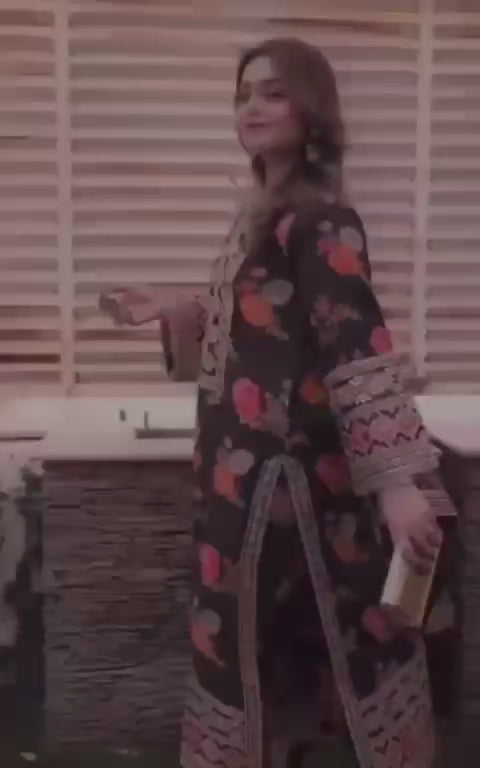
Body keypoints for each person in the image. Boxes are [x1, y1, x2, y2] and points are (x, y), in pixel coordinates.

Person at [101, 38, 454, 768]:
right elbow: (262, 323)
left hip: (293, 493)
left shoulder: (323, 220)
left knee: (312, 646)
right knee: (261, 652)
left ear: (311, 108)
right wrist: (173, 309)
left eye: (273, 93)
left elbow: (354, 344)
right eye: (243, 95)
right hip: (241, 486)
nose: (251, 108)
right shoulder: (260, 217)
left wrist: (397, 485)